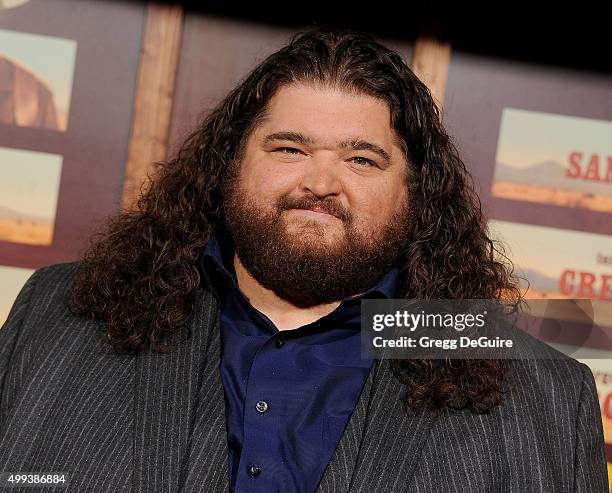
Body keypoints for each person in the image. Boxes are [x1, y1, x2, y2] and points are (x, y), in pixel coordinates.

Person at [0, 27, 607, 492]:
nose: (320, 182)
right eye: (289, 148)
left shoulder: (546, 396)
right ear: (230, 164)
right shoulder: (59, 315)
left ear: (417, 194)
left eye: (362, 159)